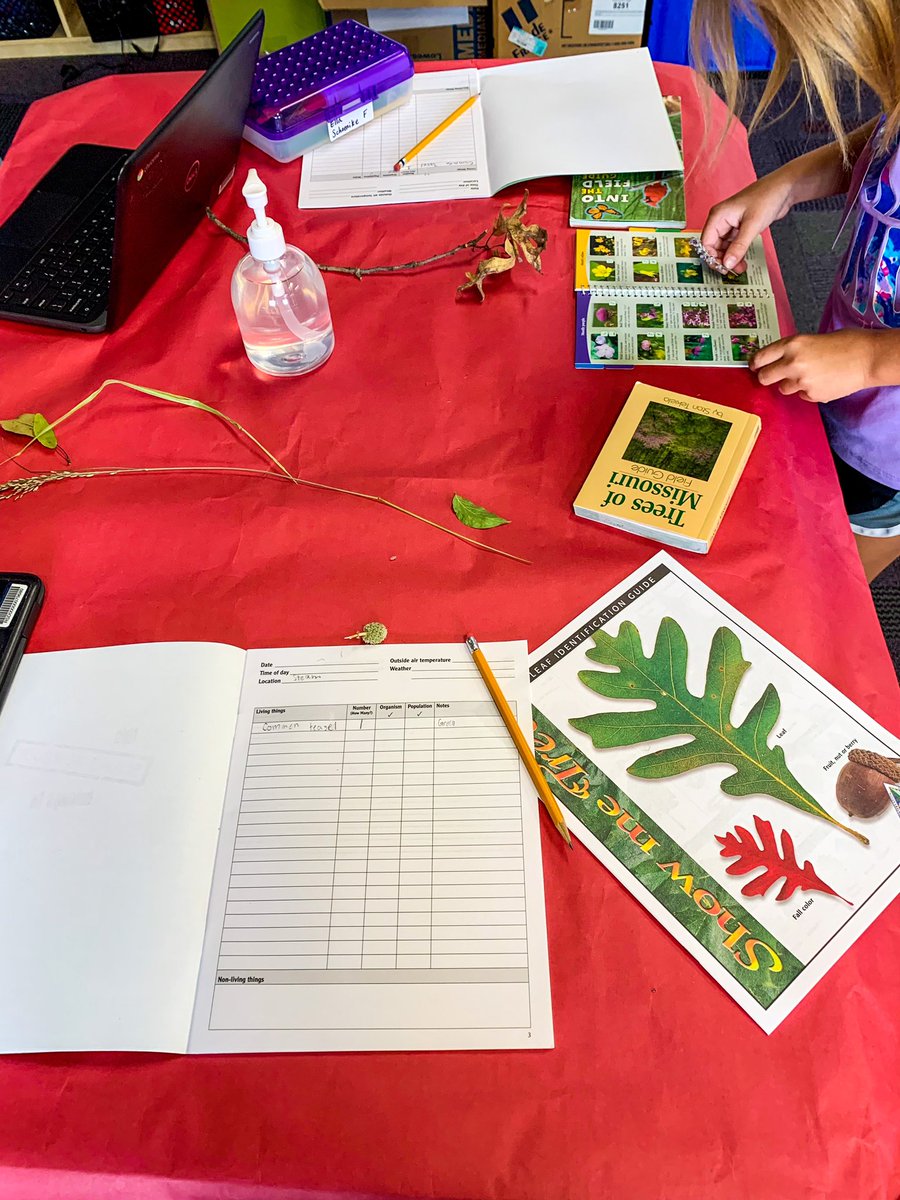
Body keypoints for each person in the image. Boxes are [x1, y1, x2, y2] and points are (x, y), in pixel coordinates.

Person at [691, 0, 900, 582]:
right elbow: (880, 147)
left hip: (889, 452)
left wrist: (868, 357)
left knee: (830, 579)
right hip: (847, 382)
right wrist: (781, 188)